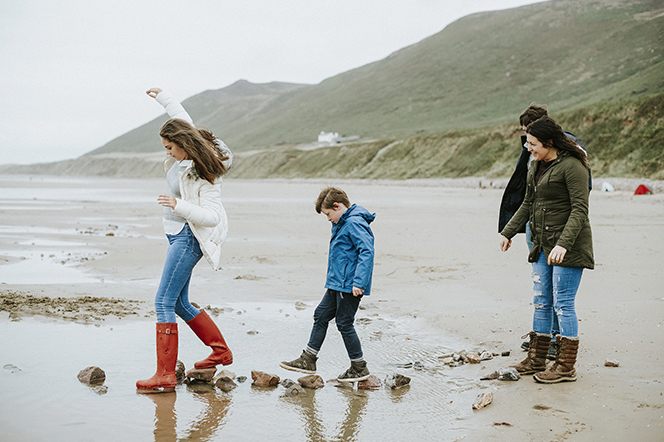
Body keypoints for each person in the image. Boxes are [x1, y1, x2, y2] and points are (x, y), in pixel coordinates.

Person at [136, 88, 234, 392]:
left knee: (163, 301)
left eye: (169, 147)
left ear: (183, 145)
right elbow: (182, 120)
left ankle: (164, 375)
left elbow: (213, 216)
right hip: (176, 235)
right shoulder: (188, 148)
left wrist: (179, 206)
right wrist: (164, 98)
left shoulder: (203, 173)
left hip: (188, 239)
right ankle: (220, 351)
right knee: (178, 301)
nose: (167, 152)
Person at [499, 116, 594, 383]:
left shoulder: (573, 166)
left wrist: (564, 244)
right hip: (542, 244)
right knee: (542, 301)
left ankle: (565, 366)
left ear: (549, 142)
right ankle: (536, 359)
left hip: (569, 245)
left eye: (532, 143)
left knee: (563, 304)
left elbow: (580, 210)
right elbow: (528, 202)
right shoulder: (536, 165)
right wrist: (509, 232)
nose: (528, 148)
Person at [280, 187, 375, 382]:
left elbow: (366, 251)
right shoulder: (342, 223)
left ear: (338, 206)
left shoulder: (354, 223)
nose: (328, 219)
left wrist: (359, 282)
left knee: (344, 322)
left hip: (350, 285)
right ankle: (308, 359)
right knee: (321, 314)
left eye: (328, 214)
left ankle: (359, 366)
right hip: (336, 283)